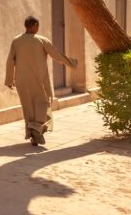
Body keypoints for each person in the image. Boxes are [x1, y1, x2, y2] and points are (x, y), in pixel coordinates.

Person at [5, 15, 78, 146]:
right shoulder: (41, 40)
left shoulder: (16, 41)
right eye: (37, 25)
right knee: (44, 104)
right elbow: (56, 55)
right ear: (34, 26)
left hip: (22, 80)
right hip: (39, 79)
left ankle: (33, 134)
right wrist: (71, 63)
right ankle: (37, 131)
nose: (38, 28)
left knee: (28, 107)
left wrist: (9, 80)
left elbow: (10, 61)